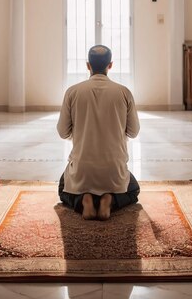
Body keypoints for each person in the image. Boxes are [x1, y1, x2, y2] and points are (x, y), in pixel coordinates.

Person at [57, 45, 140, 220]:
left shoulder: (72, 92)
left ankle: (83, 200)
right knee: (133, 189)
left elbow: (63, 132)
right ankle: (109, 199)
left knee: (62, 187)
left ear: (88, 65)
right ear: (110, 65)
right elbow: (133, 132)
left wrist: (80, 131)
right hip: (113, 172)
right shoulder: (124, 92)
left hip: (81, 171)